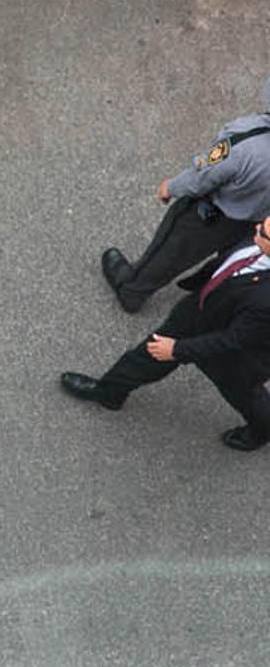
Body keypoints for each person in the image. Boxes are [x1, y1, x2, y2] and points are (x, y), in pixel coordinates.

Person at [62, 219, 270, 449]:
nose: (256, 227)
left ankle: (262, 430)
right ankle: (109, 392)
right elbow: (228, 260)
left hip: (234, 351)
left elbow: (233, 340)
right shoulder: (256, 240)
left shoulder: (265, 300)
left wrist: (176, 350)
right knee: (148, 354)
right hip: (201, 312)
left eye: (263, 231)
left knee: (242, 392)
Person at [107, 79, 270, 315]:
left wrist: (172, 187)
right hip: (258, 224)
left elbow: (205, 175)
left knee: (171, 249)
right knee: (233, 259)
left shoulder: (246, 142)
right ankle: (208, 286)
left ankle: (132, 289)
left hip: (213, 215)